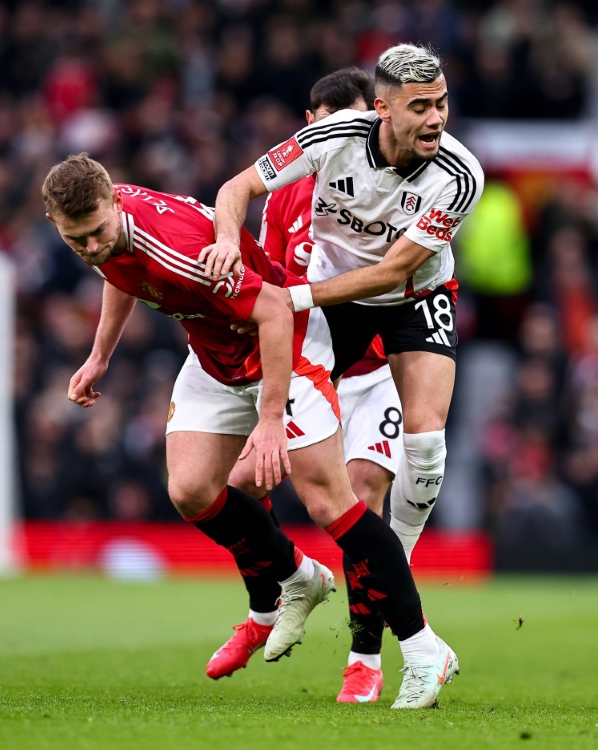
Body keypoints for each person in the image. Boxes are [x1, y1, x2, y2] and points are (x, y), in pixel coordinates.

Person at [42, 153, 458, 709]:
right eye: (77, 241)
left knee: (330, 503)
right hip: (213, 357)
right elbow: (121, 272)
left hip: (282, 347)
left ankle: (424, 649)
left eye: (95, 233)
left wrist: (268, 423)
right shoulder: (105, 229)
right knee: (190, 490)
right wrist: (99, 356)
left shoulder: (182, 250)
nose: (90, 248)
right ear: (57, 224)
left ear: (116, 201)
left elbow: (275, 313)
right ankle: (297, 577)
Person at [202, 44, 484, 573]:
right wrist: (223, 241)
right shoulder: (331, 138)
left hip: (413, 299)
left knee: (426, 448)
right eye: (420, 106)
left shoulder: (461, 175)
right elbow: (236, 187)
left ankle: (396, 571)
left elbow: (392, 271)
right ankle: (284, 583)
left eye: (441, 103)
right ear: (382, 109)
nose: (436, 118)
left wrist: (293, 298)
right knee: (241, 478)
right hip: (333, 300)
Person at [211, 68, 404, 704]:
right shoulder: (285, 195)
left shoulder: (398, 187)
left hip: (372, 371)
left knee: (360, 506)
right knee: (234, 485)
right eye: (316, 123)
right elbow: (266, 291)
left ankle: (365, 660)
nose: (328, 134)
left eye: (341, 120)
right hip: (308, 363)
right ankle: (273, 597)